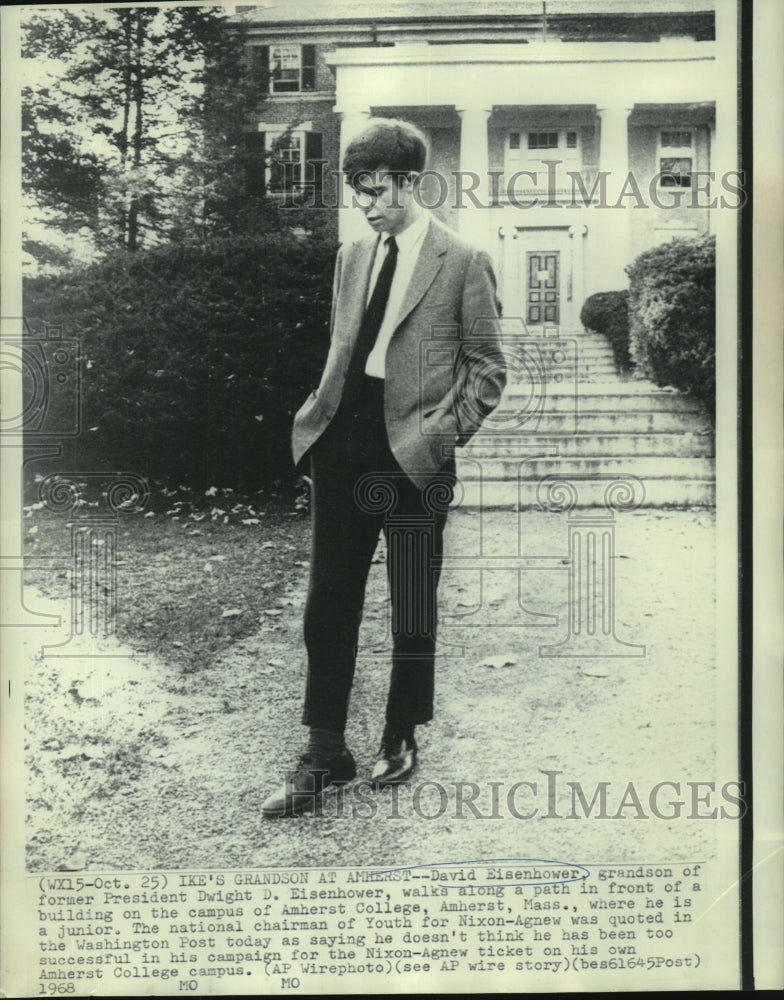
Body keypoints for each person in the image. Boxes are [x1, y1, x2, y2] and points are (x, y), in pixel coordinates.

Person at [262, 118, 506, 817]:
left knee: (411, 605)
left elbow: (488, 370)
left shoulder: (462, 260)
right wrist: (319, 416)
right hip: (342, 445)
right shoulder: (351, 256)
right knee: (326, 604)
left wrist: (441, 434)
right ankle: (324, 751)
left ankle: (400, 732)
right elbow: (344, 349)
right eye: (358, 193)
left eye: (377, 191)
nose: (367, 205)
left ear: (411, 182)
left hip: (413, 457)